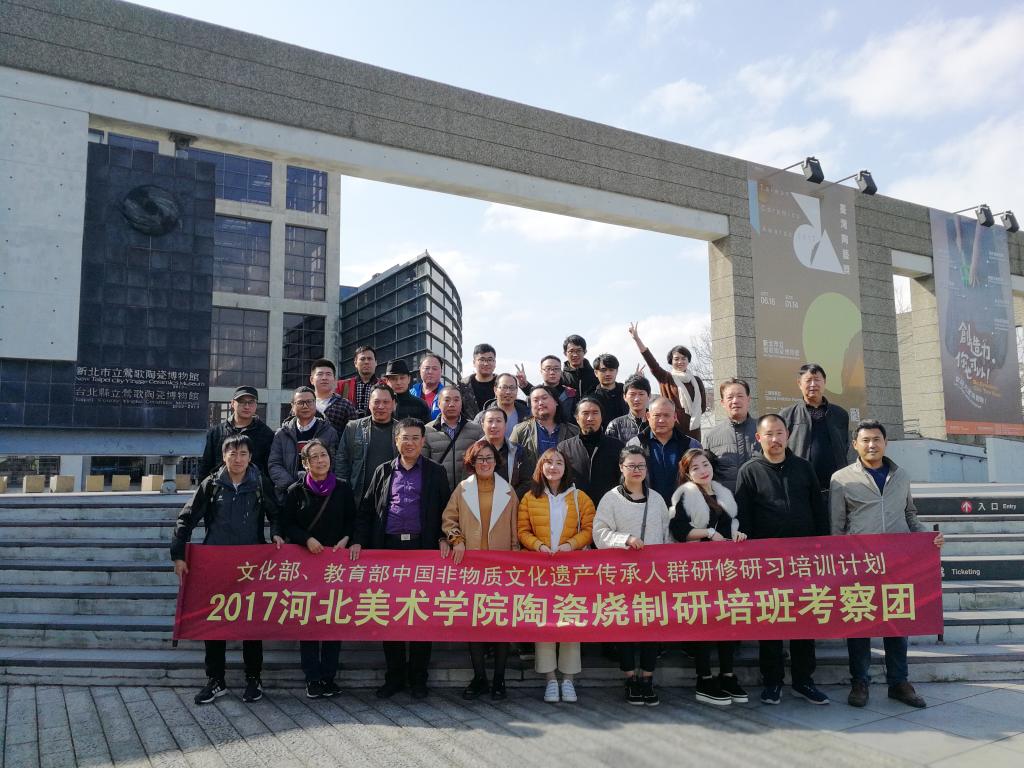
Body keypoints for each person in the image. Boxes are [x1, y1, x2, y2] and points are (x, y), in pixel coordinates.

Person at [830, 419, 945, 710]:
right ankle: (860, 681)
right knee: (859, 623)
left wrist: (926, 537)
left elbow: (910, 514)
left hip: (898, 563)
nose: (871, 445)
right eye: (865, 440)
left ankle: (899, 682)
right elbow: (836, 527)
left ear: (885, 443)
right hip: (860, 563)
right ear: (855, 444)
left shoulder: (901, 475)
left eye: (876, 439)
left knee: (897, 621)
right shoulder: (841, 479)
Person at [170, 434, 281, 705]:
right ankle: (216, 680)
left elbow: (276, 514)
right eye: (233, 454)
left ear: (250, 457)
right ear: (224, 456)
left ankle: (254, 679)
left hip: (251, 564)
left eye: (243, 454)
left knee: (250, 623)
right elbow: (187, 518)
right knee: (215, 623)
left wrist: (277, 533)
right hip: (215, 563)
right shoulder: (212, 485)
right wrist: (178, 554)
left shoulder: (259, 483)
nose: (238, 459)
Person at [350, 418, 451, 699]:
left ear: (423, 442)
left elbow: (446, 511)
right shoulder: (383, 472)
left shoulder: (435, 472)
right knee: (390, 614)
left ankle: (418, 678)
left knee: (421, 615)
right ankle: (394, 677)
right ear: (396, 440)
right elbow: (367, 511)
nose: (409, 443)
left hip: (422, 551)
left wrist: (444, 538)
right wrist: (359, 541)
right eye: (404, 437)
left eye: (415, 438)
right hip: (389, 552)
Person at [735, 414, 830, 706]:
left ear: (787, 434)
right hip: (767, 560)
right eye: (769, 434)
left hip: (804, 557)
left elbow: (817, 508)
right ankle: (772, 681)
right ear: (758, 438)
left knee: (804, 619)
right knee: (771, 620)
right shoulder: (749, 471)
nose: (774, 439)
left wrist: (823, 548)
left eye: (779, 433)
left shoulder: (803, 468)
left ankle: (803, 680)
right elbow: (743, 517)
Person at [594, 445, 672, 707]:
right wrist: (624, 539)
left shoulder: (658, 500)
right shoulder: (610, 499)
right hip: (622, 576)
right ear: (621, 468)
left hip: (653, 576)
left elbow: (667, 535)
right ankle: (630, 678)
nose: (636, 470)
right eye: (631, 466)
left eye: (641, 466)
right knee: (625, 627)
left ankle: (647, 679)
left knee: (651, 628)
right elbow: (600, 533)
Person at [669, 448, 748, 707]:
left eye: (705, 465)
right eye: (695, 468)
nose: (703, 471)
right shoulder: (685, 495)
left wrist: (738, 534)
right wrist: (706, 533)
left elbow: (733, 523)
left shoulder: (723, 492)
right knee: (702, 621)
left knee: (728, 619)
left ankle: (727, 674)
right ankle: (704, 678)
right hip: (698, 568)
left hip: (725, 568)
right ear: (687, 473)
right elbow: (678, 530)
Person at [442, 440, 520, 701]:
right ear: (472, 463)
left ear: (496, 461)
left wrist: (514, 565)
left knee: (501, 625)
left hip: (501, 568)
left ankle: (499, 679)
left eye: (489, 458)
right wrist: (457, 540)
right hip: (471, 568)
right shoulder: (462, 489)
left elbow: (515, 533)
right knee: (474, 624)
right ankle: (480, 678)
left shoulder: (508, 491)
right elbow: (448, 519)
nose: (485, 463)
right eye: (479, 459)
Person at [517, 449, 595, 703]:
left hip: (570, 570)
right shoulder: (529, 497)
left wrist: (570, 545)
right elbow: (522, 530)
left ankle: (568, 680)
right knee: (545, 623)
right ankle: (550, 679)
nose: (553, 466)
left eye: (559, 462)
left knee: (570, 623)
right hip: (539, 569)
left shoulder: (579, 497)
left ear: (566, 467)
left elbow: (590, 528)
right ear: (541, 467)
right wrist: (538, 546)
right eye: (548, 462)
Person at [282, 439, 357, 699]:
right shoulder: (295, 491)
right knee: (310, 620)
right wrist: (306, 540)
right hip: (307, 565)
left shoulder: (343, 488)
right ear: (305, 463)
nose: (321, 460)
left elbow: (352, 519)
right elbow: (286, 524)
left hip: (336, 565)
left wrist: (346, 539)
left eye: (324, 455)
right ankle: (312, 677)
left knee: (333, 619)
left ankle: (329, 676)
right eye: (314, 457)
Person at [781, 363, 851, 504]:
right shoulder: (787, 415)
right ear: (799, 383)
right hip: (801, 486)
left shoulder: (840, 414)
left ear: (824, 382)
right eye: (808, 380)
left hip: (836, 487)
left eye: (817, 380)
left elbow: (845, 445)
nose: (813, 384)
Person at [628, 322, 707, 441]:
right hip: (671, 431)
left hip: (694, 431)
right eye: (676, 359)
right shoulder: (666, 378)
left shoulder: (696, 380)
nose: (680, 361)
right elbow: (651, 362)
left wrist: (692, 417)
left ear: (688, 360)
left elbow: (703, 406)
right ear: (671, 361)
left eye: (683, 358)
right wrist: (637, 339)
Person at [268, 386, 339, 503]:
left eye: (309, 402)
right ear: (292, 406)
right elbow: (274, 464)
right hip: (289, 495)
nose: (305, 406)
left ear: (315, 404)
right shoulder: (282, 434)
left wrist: (317, 485)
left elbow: (334, 463)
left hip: (322, 494)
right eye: (300, 402)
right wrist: (293, 486)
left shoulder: (329, 432)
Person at [626, 395, 699, 506]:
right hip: (646, 510)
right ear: (648, 416)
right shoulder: (635, 445)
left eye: (666, 415)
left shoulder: (691, 445)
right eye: (657, 415)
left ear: (675, 417)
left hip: (683, 510)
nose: (661, 420)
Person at [509, 386, 580, 497]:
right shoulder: (520, 431)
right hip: (531, 494)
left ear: (556, 402)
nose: (540, 403)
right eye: (535, 400)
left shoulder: (573, 431)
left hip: (565, 493)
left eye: (544, 398)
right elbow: (510, 464)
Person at [334, 383, 397, 503]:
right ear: (369, 404)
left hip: (392, 498)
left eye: (386, 402)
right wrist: (343, 492)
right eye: (376, 402)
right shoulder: (353, 428)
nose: (381, 406)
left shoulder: (401, 430)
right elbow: (342, 462)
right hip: (358, 497)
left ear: (393, 404)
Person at [198, 385, 275, 480]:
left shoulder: (266, 433)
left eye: (251, 402)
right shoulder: (216, 432)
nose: (247, 406)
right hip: (221, 488)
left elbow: (270, 467)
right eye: (242, 402)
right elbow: (206, 464)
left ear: (256, 405)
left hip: (253, 490)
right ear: (232, 403)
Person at [558, 397, 624, 505]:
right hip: (576, 509)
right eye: (585, 413)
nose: (590, 418)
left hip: (609, 508)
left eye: (595, 413)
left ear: (601, 417)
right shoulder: (564, 448)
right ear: (577, 418)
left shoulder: (617, 446)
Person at [422, 386, 484, 490]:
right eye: (447, 400)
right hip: (438, 492)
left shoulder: (476, 430)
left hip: (468, 491)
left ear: (461, 403)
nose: (451, 404)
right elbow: (423, 466)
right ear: (439, 404)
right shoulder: (427, 431)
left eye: (456, 400)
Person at [702, 378, 757, 493]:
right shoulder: (711, 437)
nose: (735, 401)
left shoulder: (764, 431)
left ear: (748, 399)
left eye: (740, 396)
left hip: (761, 503)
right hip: (726, 504)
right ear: (722, 403)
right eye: (730, 397)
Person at [515, 355, 577, 423]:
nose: (552, 372)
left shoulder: (571, 394)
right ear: (541, 371)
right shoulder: (533, 395)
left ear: (561, 371)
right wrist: (524, 384)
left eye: (556, 369)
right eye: (548, 368)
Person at [309, 358, 357, 435]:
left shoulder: (345, 405)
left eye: (328, 374)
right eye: (320, 374)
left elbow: (354, 435)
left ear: (334, 380)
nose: (324, 378)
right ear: (311, 380)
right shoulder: (302, 403)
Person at [473, 372, 529, 437]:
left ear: (517, 390)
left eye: (512, 388)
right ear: (495, 390)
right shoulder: (481, 417)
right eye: (504, 387)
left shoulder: (528, 415)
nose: (508, 392)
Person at [479, 406, 521, 486]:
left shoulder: (517, 450)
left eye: (498, 421)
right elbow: (467, 481)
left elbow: (526, 481)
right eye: (490, 421)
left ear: (505, 425)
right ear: (482, 425)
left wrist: (510, 496)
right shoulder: (473, 450)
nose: (494, 425)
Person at [606, 374, 652, 445]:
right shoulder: (615, 425)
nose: (637, 399)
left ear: (649, 396)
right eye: (632, 394)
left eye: (641, 394)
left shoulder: (657, 422)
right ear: (624, 397)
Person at [458, 343, 498, 420]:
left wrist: (525, 386)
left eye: (490, 360)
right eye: (482, 360)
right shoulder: (462, 386)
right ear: (474, 362)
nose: (486, 363)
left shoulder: (503, 385)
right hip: (469, 430)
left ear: (495, 363)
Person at [336, 345, 379, 415]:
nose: (366, 362)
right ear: (355, 363)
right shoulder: (342, 386)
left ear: (376, 362)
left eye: (370, 358)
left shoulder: (384, 385)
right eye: (362, 359)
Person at [590, 353, 628, 424]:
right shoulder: (592, 398)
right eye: (603, 370)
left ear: (616, 371)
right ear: (596, 373)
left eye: (611, 370)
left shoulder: (627, 392)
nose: (608, 374)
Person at [409, 352, 445, 421]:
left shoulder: (447, 395)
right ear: (420, 370)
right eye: (427, 368)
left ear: (441, 371)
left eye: (434, 369)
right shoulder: (410, 394)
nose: (430, 372)